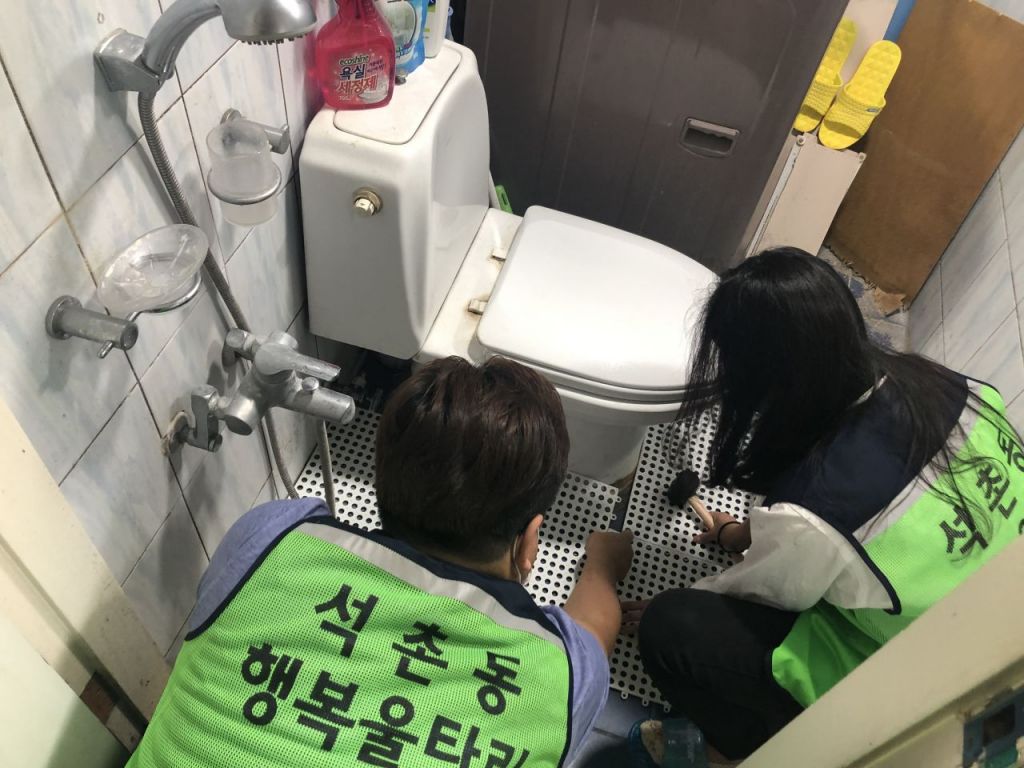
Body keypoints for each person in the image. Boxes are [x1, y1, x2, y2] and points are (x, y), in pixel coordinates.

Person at [128, 356, 634, 767]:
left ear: (379, 490)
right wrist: (603, 563)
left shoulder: (271, 536)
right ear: (530, 543)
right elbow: (594, 626)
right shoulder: (564, 674)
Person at [629, 248, 1024, 766]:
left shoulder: (819, 509)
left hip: (925, 693)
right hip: (989, 637)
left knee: (671, 629)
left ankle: (744, 751)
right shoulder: (951, 386)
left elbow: (759, 595)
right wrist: (750, 534)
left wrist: (670, 601)